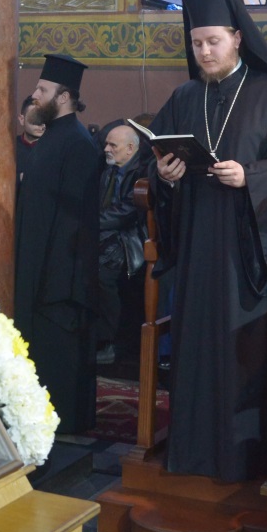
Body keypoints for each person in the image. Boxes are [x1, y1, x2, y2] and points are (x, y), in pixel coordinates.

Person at [150, 0, 267, 483]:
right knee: (194, 346)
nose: (204, 52)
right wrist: (165, 175)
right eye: (197, 43)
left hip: (246, 248)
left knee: (240, 354)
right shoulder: (184, 97)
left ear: (238, 39)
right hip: (196, 240)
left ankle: (242, 460)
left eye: (213, 42)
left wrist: (251, 176)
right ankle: (190, 454)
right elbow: (154, 159)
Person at [14, 53, 100, 433]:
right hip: (38, 266)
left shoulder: (78, 143)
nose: (35, 95)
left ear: (64, 97)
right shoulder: (52, 137)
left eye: (42, 90)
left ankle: (65, 433)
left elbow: (75, 222)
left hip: (59, 279)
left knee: (59, 362)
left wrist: (56, 283)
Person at [96, 123, 147, 367]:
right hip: (107, 234)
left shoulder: (142, 173)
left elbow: (127, 212)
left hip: (131, 239)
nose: (106, 149)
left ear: (130, 149)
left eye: (112, 145)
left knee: (102, 273)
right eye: (106, 143)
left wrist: (90, 223)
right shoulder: (109, 170)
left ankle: (112, 343)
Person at [15, 94, 45, 190]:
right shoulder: (9, 148)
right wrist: (20, 178)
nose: (41, 125)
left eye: (45, 118)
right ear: (22, 119)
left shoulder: (54, 149)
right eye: (34, 117)